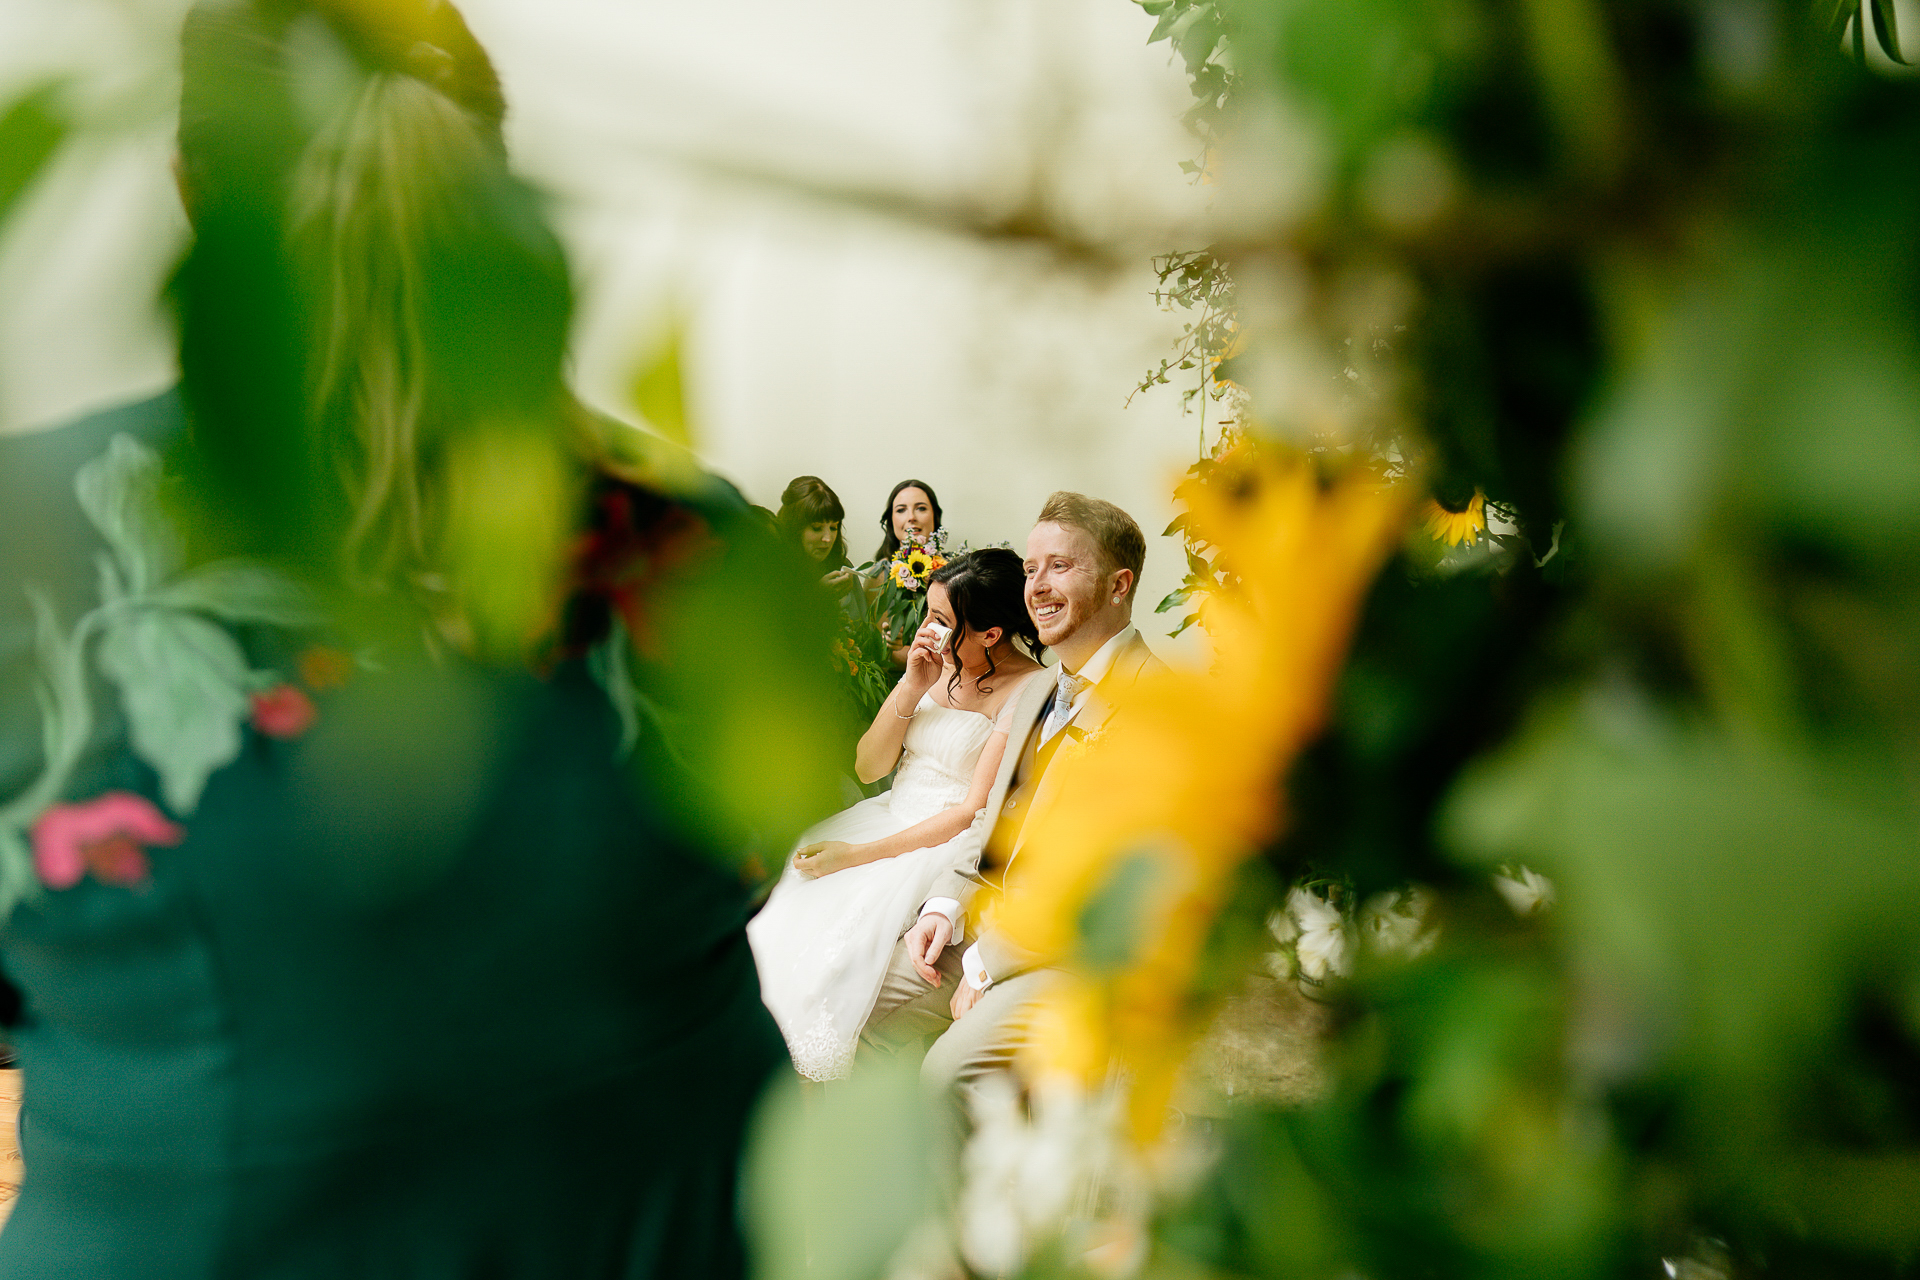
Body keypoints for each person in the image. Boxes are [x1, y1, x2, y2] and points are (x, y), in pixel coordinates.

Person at [0, 3, 817, 1275]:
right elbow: (757, 851)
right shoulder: (691, 542)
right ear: (493, 185)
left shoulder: (32, 545)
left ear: (189, 187)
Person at [860, 493, 1164, 1096]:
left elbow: (1100, 879)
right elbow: (989, 816)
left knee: (947, 1074)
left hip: (1060, 956)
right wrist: (943, 906)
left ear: (1118, 584)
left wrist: (985, 963)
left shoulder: (1152, 704)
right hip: (975, 922)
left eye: (1061, 566)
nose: (1038, 586)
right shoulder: (1036, 687)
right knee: (854, 1003)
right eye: (1030, 569)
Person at [748, 549, 1044, 1081]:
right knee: (773, 928)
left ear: (992, 635)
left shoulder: (1027, 691)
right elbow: (868, 766)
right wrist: (911, 685)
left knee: (832, 968)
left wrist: (856, 856)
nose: (928, 630)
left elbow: (973, 809)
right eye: (929, 613)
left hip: (937, 844)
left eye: (942, 621)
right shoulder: (937, 668)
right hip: (887, 812)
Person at [777, 475, 860, 607]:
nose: (827, 539)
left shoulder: (843, 567)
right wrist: (816, 596)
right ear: (794, 528)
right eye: (816, 528)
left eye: (833, 527)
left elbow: (862, 624)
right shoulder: (771, 572)